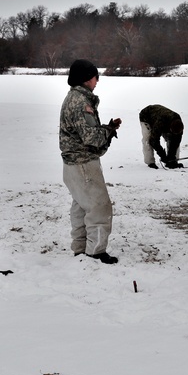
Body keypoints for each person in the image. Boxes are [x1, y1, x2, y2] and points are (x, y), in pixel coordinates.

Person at [59, 59, 122, 264]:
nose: (98, 81)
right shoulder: (80, 102)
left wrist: (106, 128)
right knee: (99, 207)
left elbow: (86, 132)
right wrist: (108, 131)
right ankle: (95, 252)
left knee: (81, 206)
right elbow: (91, 138)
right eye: (96, 76)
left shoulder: (74, 98)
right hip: (83, 163)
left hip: (73, 163)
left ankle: (80, 248)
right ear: (86, 78)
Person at [139, 104, 185, 169]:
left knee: (173, 141)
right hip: (146, 117)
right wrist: (162, 155)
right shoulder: (161, 122)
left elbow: (176, 142)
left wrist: (171, 157)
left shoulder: (179, 125)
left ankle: (173, 161)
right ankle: (150, 162)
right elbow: (153, 141)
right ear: (169, 128)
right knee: (148, 139)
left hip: (161, 119)